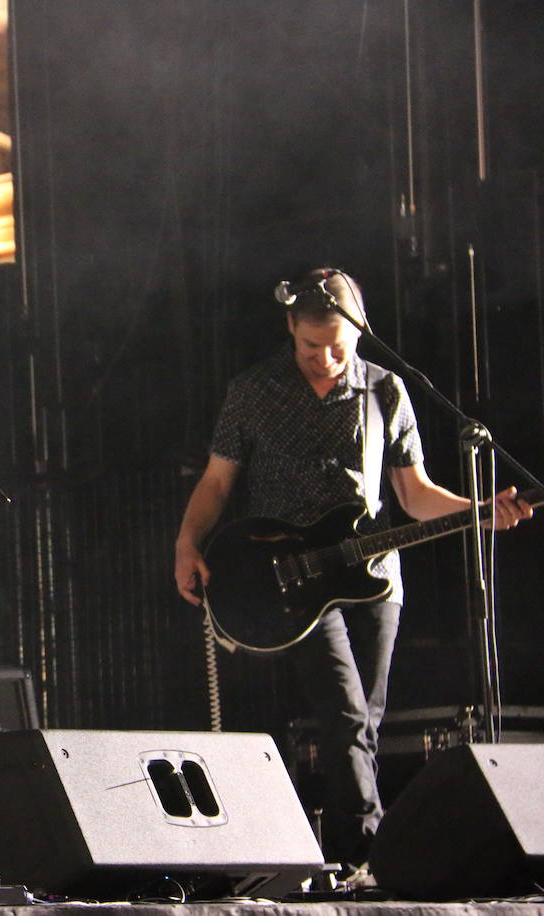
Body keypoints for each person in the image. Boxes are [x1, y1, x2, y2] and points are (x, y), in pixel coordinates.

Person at [173, 267, 531, 877]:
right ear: (290, 328)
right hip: (295, 578)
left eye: (339, 345)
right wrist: (187, 541)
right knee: (343, 715)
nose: (326, 358)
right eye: (311, 347)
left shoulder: (385, 389)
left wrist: (478, 512)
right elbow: (216, 481)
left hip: (374, 578)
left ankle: (348, 857)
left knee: (365, 720)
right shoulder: (254, 390)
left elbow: (413, 495)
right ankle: (367, 852)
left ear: (360, 332)